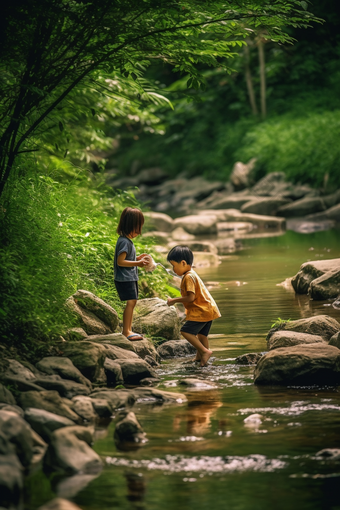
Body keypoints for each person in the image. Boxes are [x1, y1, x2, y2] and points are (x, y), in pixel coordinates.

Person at [166, 245, 221, 366]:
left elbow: (191, 297)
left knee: (185, 332)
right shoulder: (192, 273)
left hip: (202, 311)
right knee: (202, 335)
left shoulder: (188, 277)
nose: (174, 270)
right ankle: (201, 358)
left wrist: (174, 300)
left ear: (183, 263)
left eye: (174, 266)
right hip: (209, 309)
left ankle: (204, 351)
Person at [114, 207, 150, 341]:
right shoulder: (124, 242)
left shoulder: (126, 241)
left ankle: (128, 329)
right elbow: (121, 262)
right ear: (131, 226)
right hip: (125, 278)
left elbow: (126, 259)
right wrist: (138, 264)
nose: (139, 231)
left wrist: (137, 259)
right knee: (131, 302)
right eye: (138, 227)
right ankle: (126, 331)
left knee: (132, 302)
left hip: (129, 277)